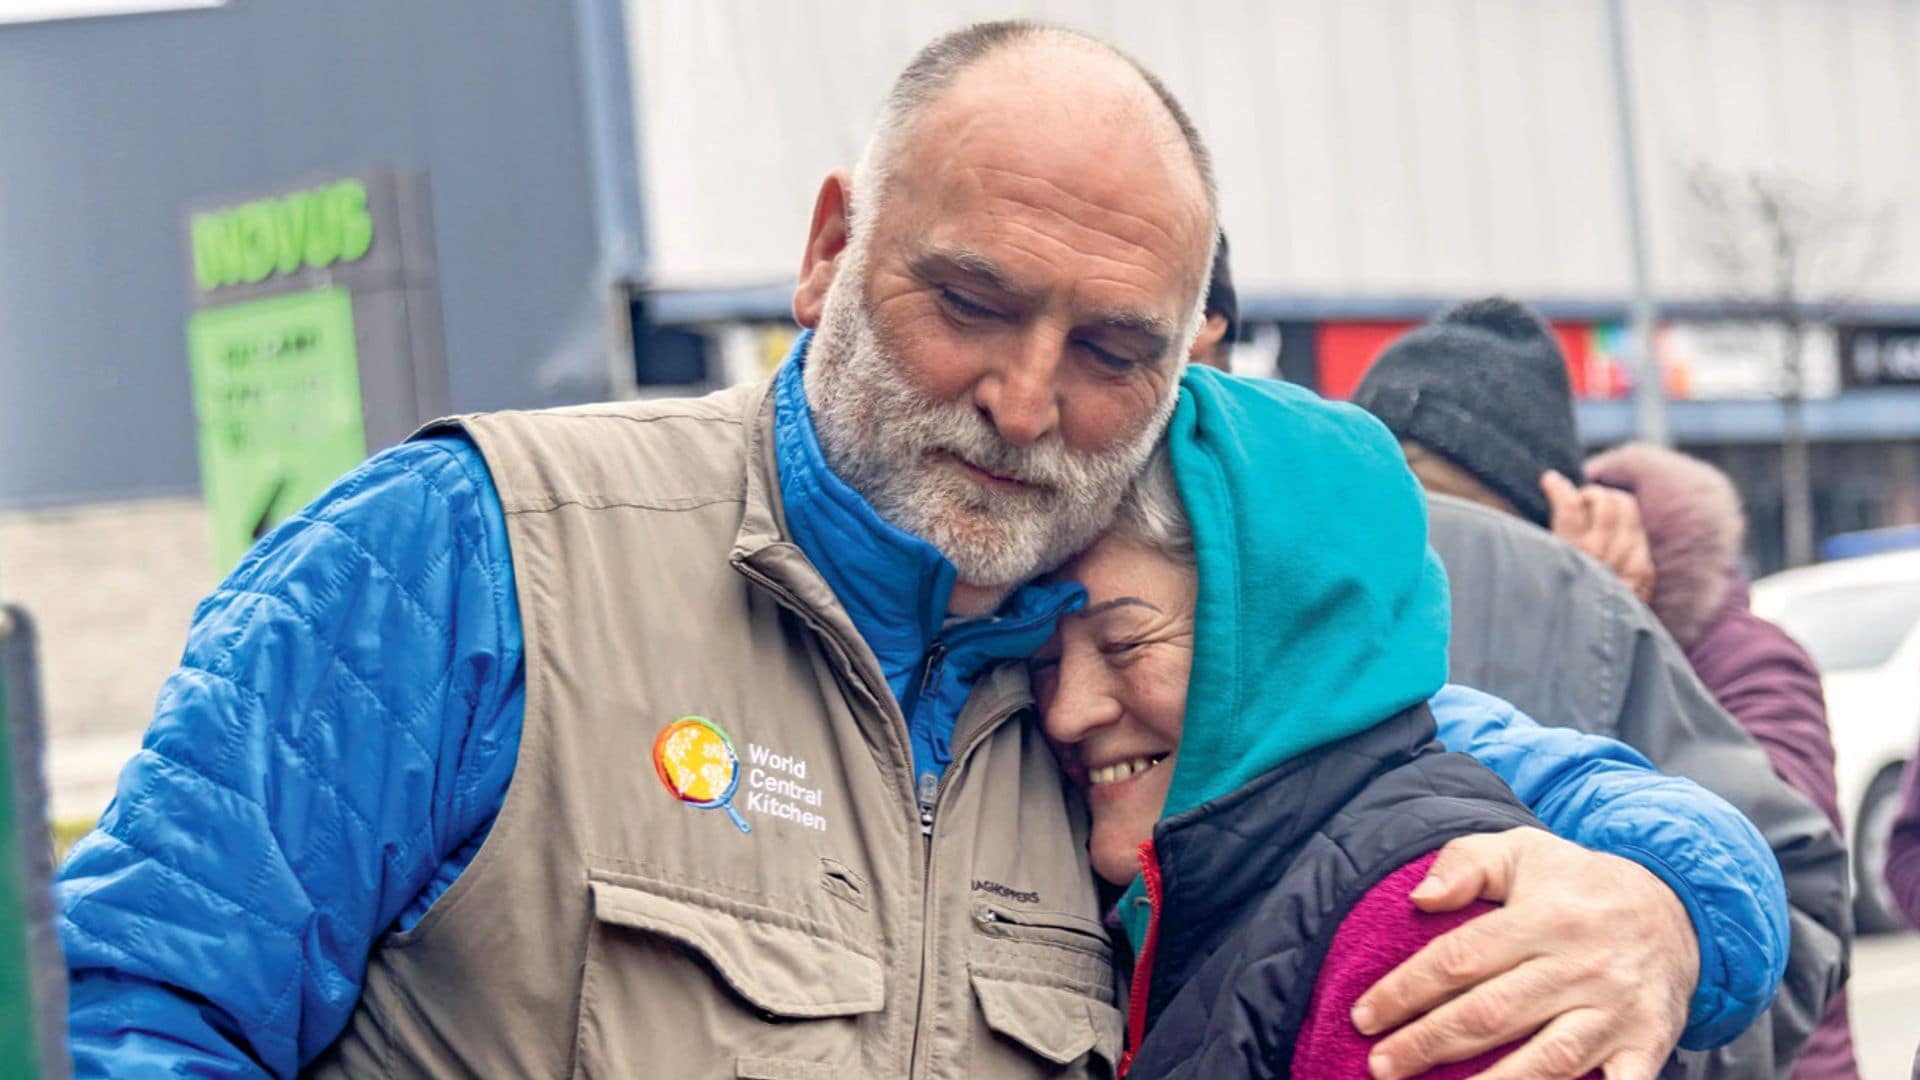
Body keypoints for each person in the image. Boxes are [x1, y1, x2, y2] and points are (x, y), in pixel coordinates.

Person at [58, 24, 1757, 1077]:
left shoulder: (1142, 688)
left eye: (1110, 354)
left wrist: (1666, 918)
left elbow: (1567, 788)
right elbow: (130, 1008)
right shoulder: (472, 556)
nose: (1026, 404)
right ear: (824, 250)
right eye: (970, 302)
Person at [1033, 366, 1784, 1078]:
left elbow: (1640, 805)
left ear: (1278, 631)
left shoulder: (1423, 930)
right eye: (1034, 660)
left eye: (1126, 643)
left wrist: (1664, 907)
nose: (1065, 713)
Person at [1352, 298, 1854, 1076]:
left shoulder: (1697, 648)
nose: (1437, 549)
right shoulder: (1341, 629)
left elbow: (1785, 902)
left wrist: (1576, 628)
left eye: (1463, 510)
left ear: (1549, 516)